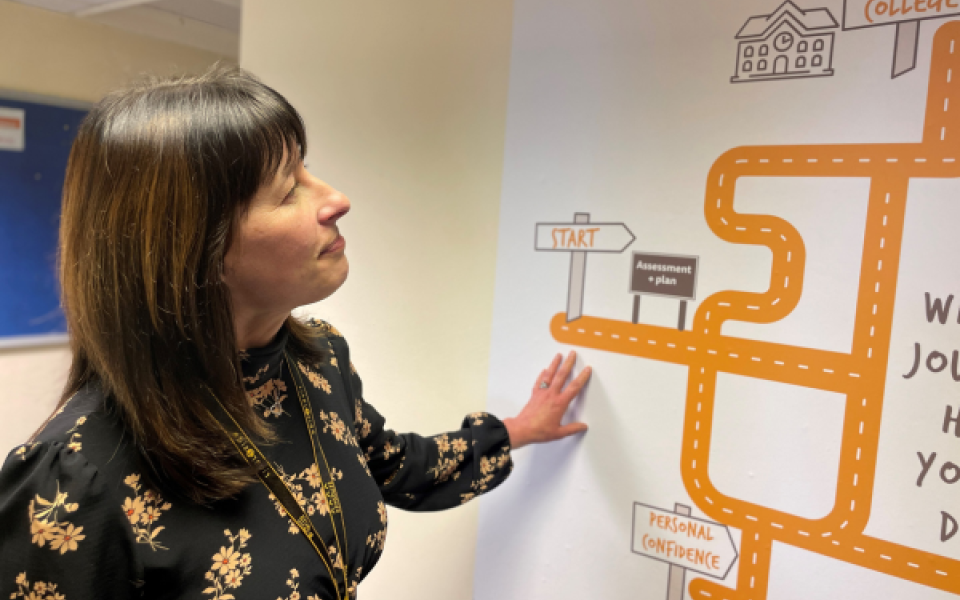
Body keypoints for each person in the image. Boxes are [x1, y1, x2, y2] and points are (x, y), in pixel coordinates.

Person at [0, 67, 591, 600]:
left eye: (308, 169)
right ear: (192, 251)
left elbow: (393, 466)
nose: (337, 199)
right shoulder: (75, 477)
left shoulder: (318, 359)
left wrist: (516, 431)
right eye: (288, 189)